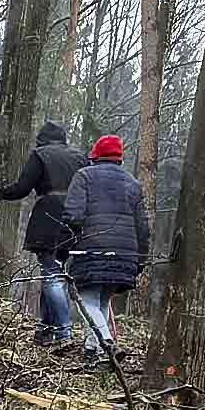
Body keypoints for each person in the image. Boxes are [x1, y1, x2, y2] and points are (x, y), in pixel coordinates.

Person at [0, 121, 87, 349]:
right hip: (77, 218)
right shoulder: (79, 157)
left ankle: (63, 331)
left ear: (42, 139)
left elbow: (22, 188)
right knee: (56, 272)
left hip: (49, 217)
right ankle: (45, 330)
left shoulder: (40, 155)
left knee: (51, 274)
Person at [59, 135, 147, 358]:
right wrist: (140, 258)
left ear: (95, 155)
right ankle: (92, 351)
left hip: (92, 250)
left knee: (88, 302)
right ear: (119, 158)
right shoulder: (133, 184)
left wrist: (64, 247)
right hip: (126, 254)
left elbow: (73, 216)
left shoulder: (84, 177)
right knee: (101, 302)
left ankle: (107, 343)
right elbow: (143, 227)